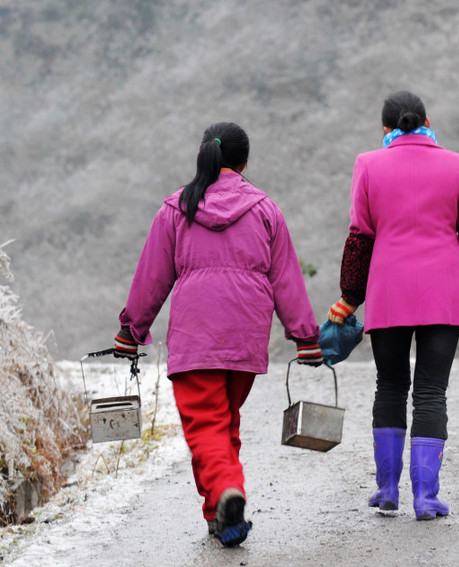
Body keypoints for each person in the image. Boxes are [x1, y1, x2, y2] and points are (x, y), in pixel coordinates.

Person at [112, 122, 322, 546]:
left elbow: (152, 278)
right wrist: (305, 337)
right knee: (223, 424)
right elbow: (286, 278)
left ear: (204, 155)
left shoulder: (176, 209)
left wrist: (131, 330)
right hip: (246, 338)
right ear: (244, 163)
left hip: (196, 338)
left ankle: (228, 492)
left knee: (205, 426)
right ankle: (221, 517)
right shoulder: (266, 210)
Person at [326, 90, 459, 520]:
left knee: (390, 387)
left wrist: (348, 298)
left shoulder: (368, 165)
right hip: (443, 295)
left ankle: (388, 490)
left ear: (385, 129)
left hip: (388, 294)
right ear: (428, 119)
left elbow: (361, 235)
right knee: (431, 393)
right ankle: (426, 498)